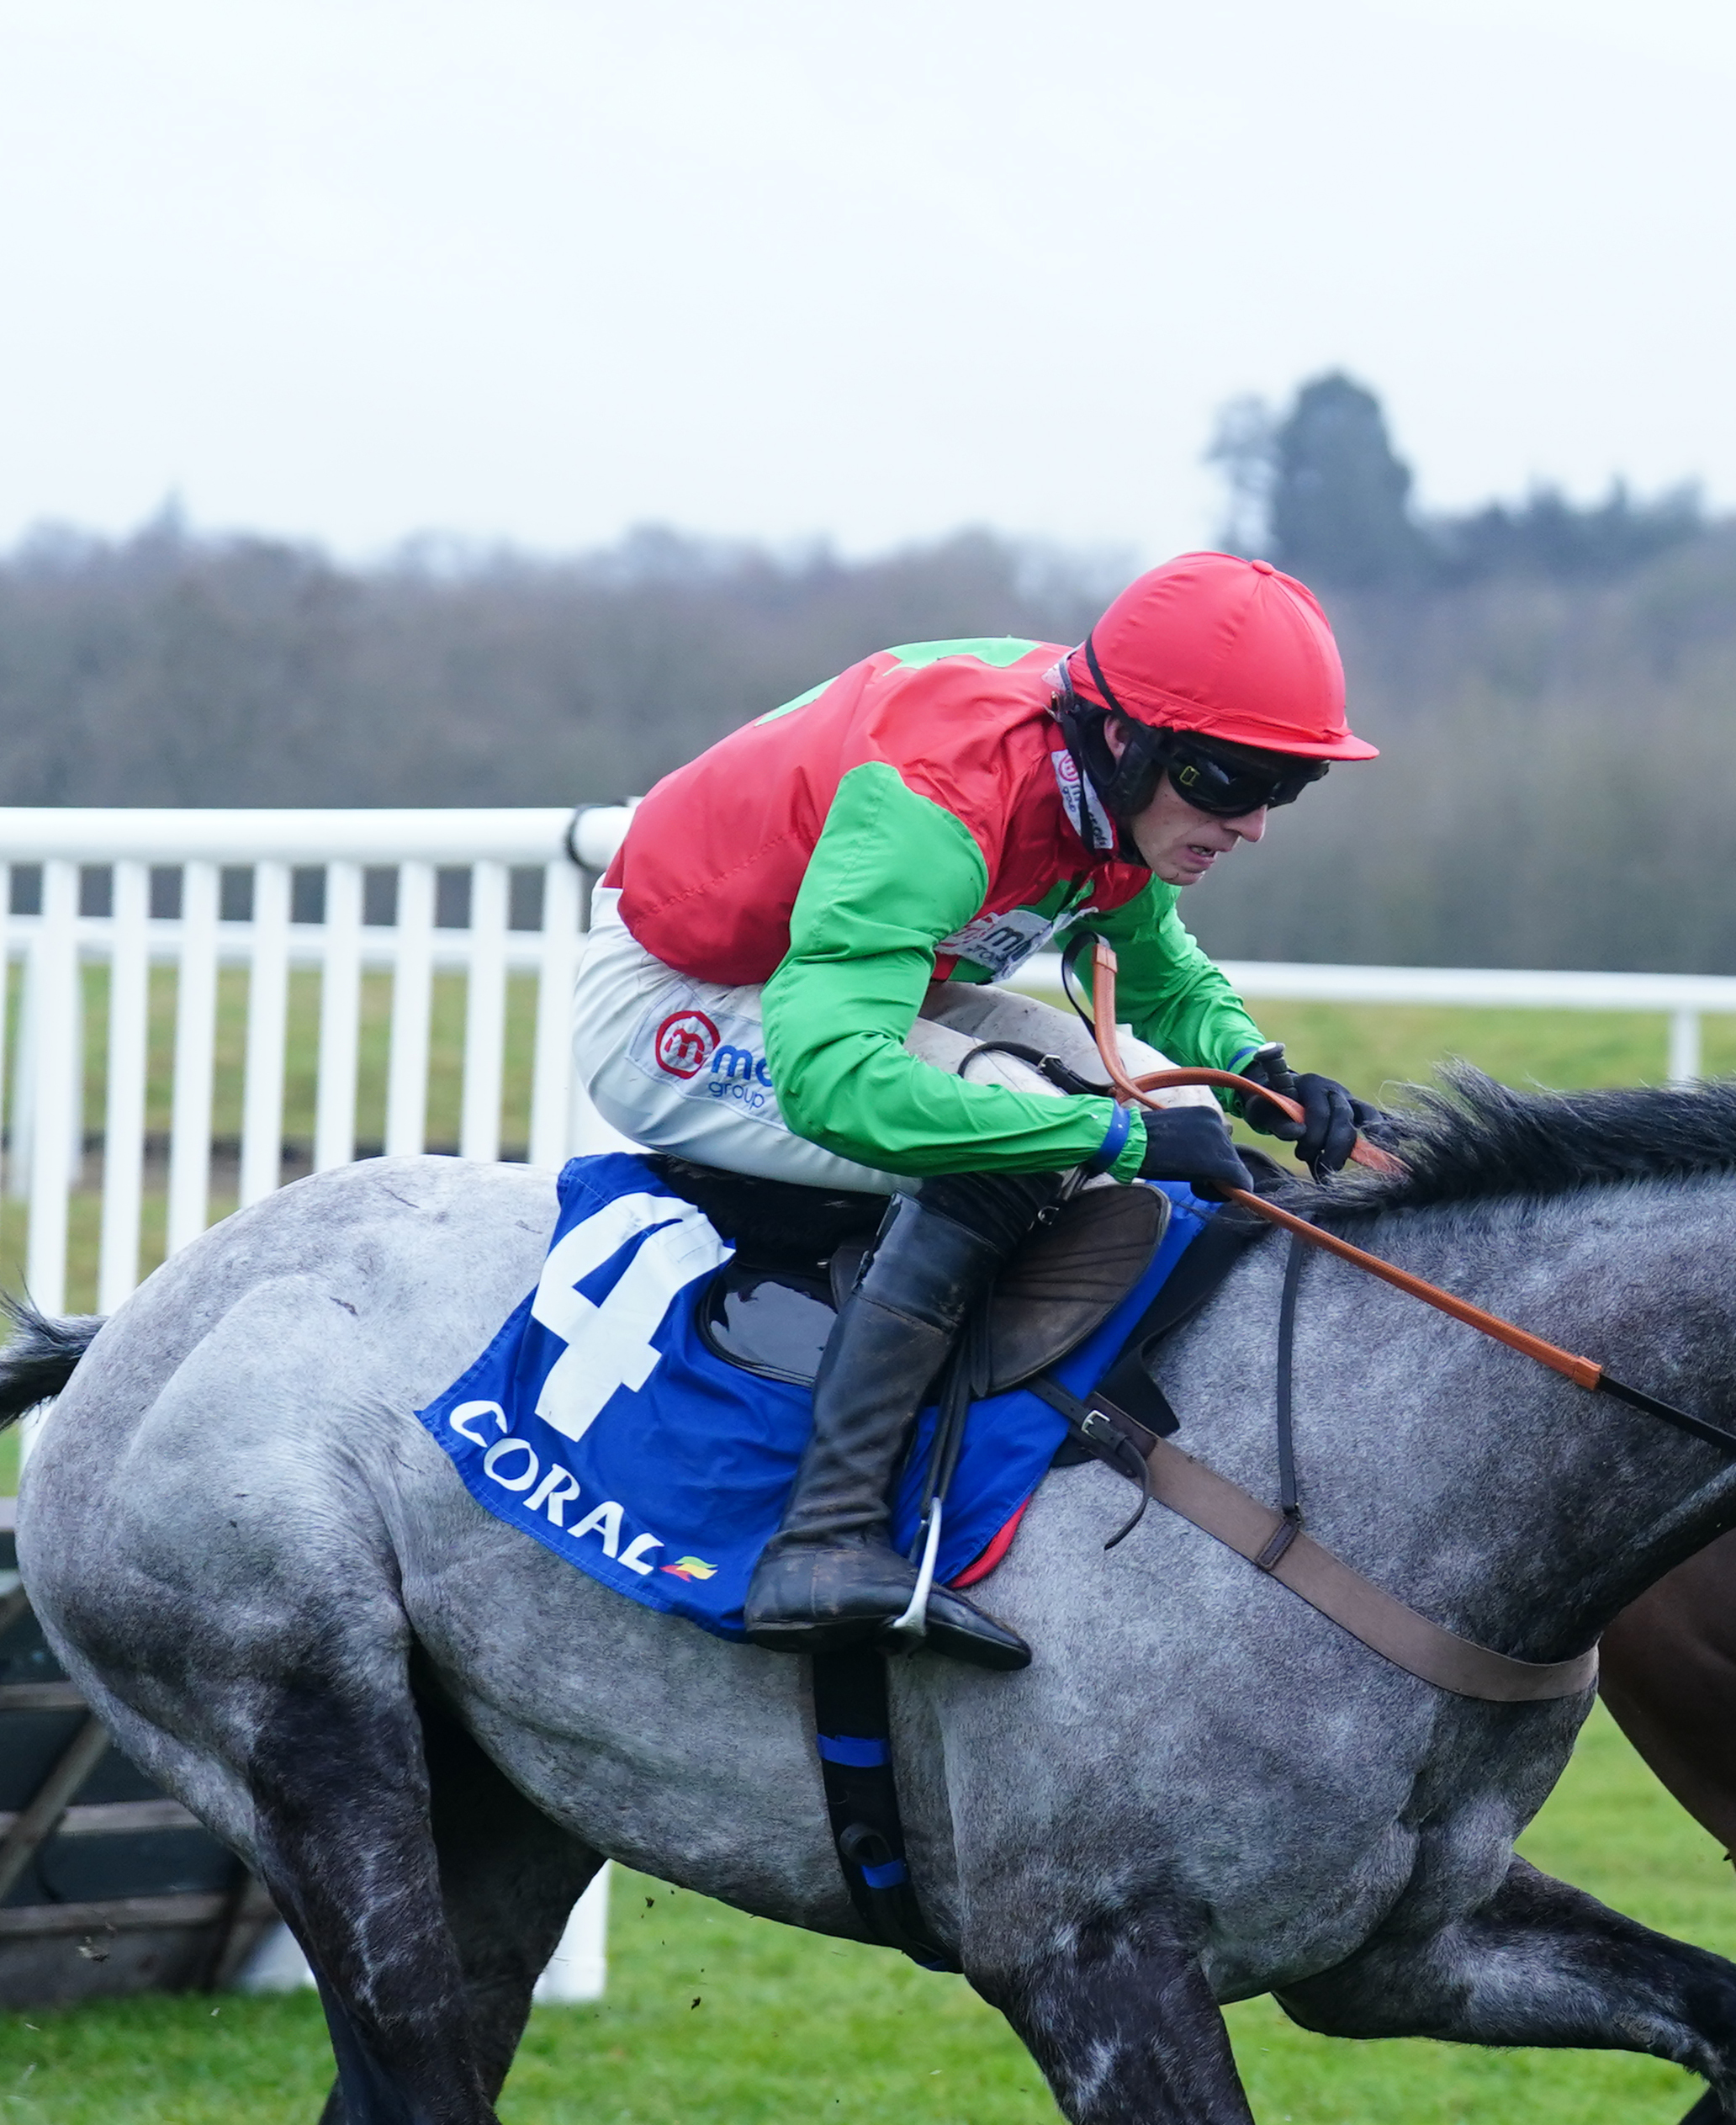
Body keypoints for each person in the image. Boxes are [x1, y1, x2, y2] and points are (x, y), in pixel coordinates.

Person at [578, 552, 1377, 1670]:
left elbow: (1159, 973)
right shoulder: (943, 796)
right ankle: (825, 1535)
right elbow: (835, 1078)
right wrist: (1121, 1133)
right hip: (680, 1000)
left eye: (1283, 787)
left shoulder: (1107, 784)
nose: (1252, 825)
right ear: (1125, 739)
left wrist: (1264, 1068)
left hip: (826, 981)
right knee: (1021, 1121)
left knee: (1143, 1094)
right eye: (1230, 782)